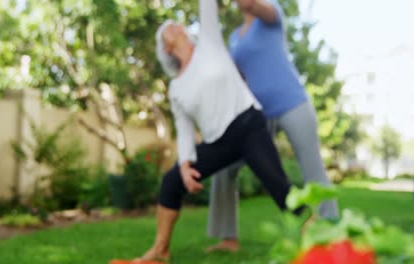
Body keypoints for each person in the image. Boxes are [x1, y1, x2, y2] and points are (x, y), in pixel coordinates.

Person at [136, 0, 301, 261]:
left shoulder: (209, 44)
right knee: (171, 182)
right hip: (219, 143)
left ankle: (318, 236)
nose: (174, 26)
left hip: (248, 125)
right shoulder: (176, 88)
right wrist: (185, 165)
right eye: (167, 28)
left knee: (280, 187)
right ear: (166, 47)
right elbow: (185, 129)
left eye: (176, 24)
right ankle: (160, 250)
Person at [206, 0, 339, 253]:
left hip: (292, 103)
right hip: (257, 116)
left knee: (312, 167)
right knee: (224, 168)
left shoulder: (271, 15)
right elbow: (236, 78)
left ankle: (329, 230)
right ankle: (227, 238)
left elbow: (258, 7)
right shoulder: (234, 37)